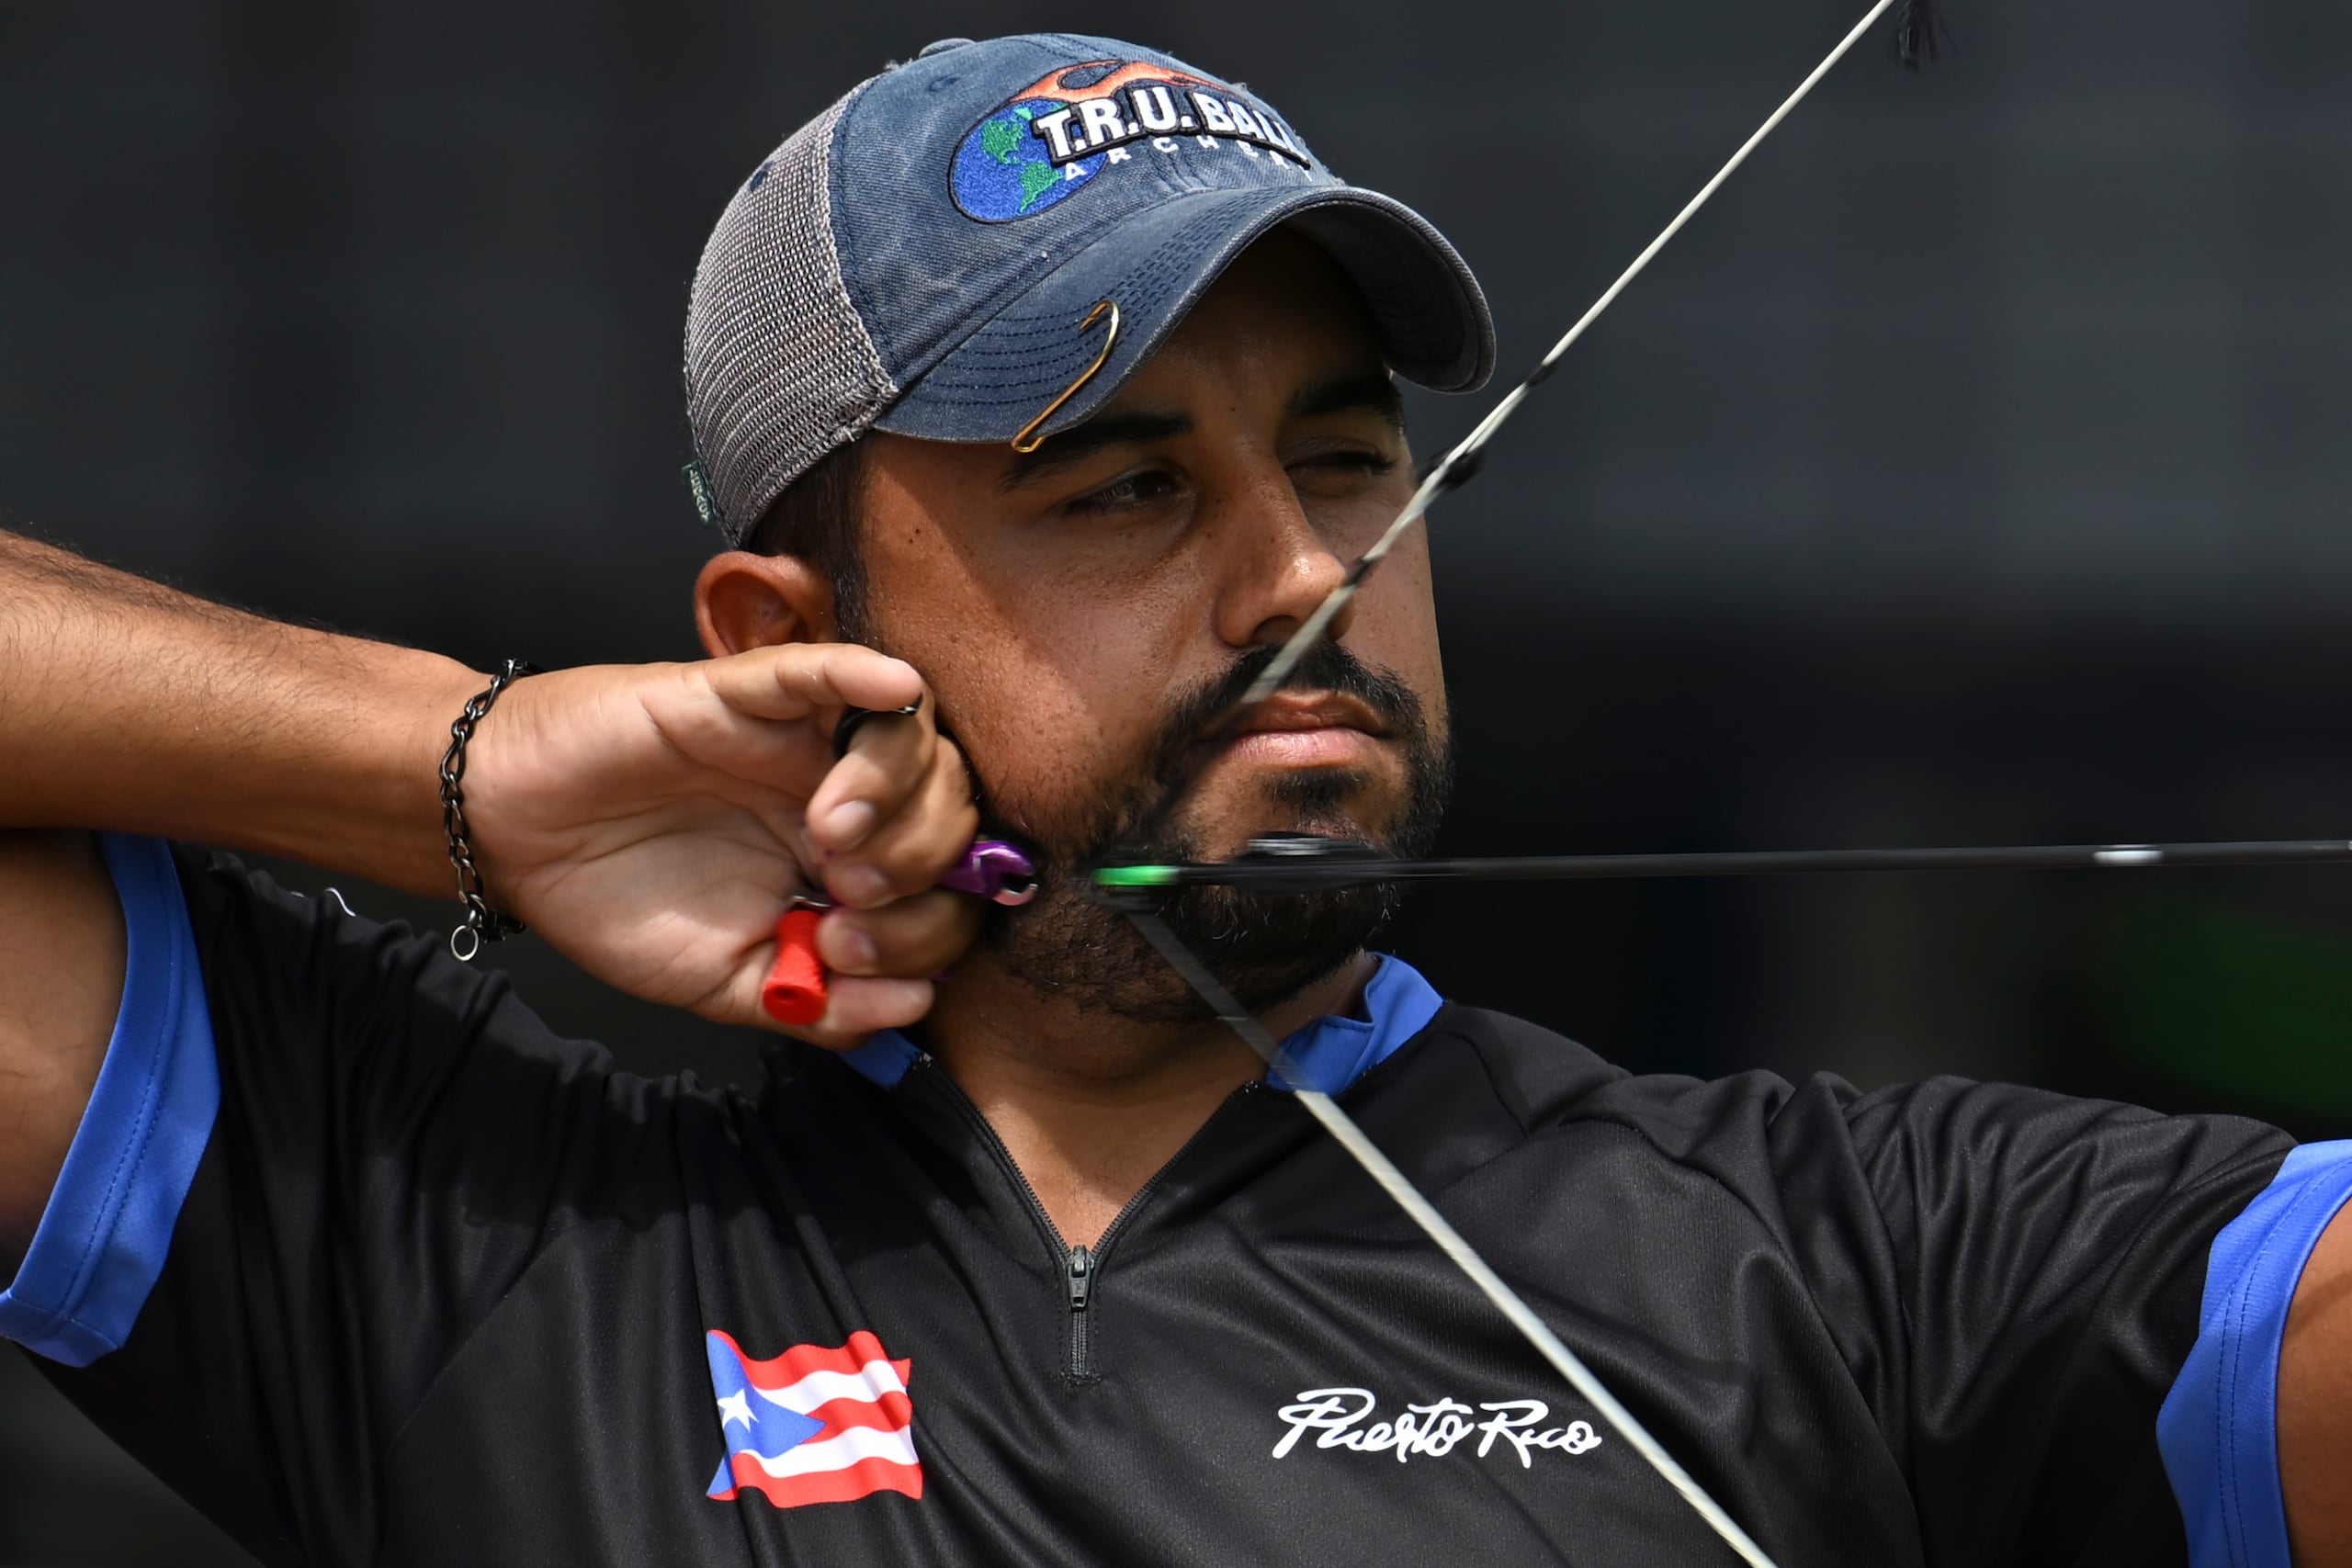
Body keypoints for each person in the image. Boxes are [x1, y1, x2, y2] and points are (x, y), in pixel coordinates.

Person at [0, 31, 2345, 1567]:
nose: (1303, 574)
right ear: (780, 638)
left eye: (1344, 461)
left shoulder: (1847, 1264)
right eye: (1124, 488)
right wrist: (461, 764)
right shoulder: (472, 1249)